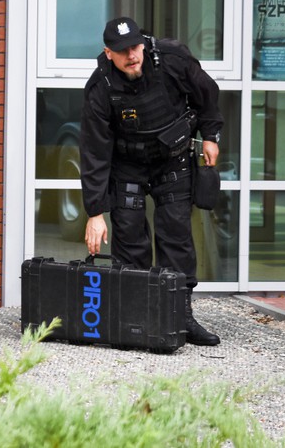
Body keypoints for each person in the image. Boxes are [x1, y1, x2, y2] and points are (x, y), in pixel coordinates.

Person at [79, 17, 224, 346]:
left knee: (176, 235)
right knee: (129, 239)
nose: (131, 55)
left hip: (172, 158)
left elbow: (207, 94)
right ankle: (135, 319)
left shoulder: (172, 59)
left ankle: (180, 318)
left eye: (134, 47)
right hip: (127, 165)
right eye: (122, 51)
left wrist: (211, 135)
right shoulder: (101, 86)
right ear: (108, 53)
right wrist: (95, 212)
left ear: (142, 43)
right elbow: (94, 152)